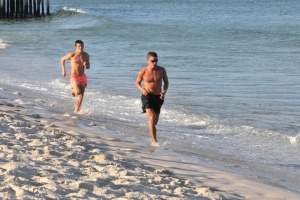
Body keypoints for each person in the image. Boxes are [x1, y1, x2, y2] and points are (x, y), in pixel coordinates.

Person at [135, 52, 169, 146]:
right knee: (151, 118)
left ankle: (152, 133)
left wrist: (164, 92)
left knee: (155, 122)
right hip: (147, 96)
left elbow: (166, 82)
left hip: (158, 97)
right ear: (148, 60)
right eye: (153, 61)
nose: (155, 63)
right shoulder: (143, 71)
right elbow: (137, 83)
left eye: (156, 60)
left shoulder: (162, 70)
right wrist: (142, 90)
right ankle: (154, 141)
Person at [61, 40, 90, 113]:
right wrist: (64, 70)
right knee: (78, 92)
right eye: (79, 46)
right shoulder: (72, 55)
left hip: (82, 77)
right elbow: (62, 59)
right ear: (75, 47)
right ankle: (73, 89)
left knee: (81, 95)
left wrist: (86, 65)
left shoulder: (86, 55)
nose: (81, 48)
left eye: (82, 46)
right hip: (74, 76)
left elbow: (88, 67)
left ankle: (76, 111)